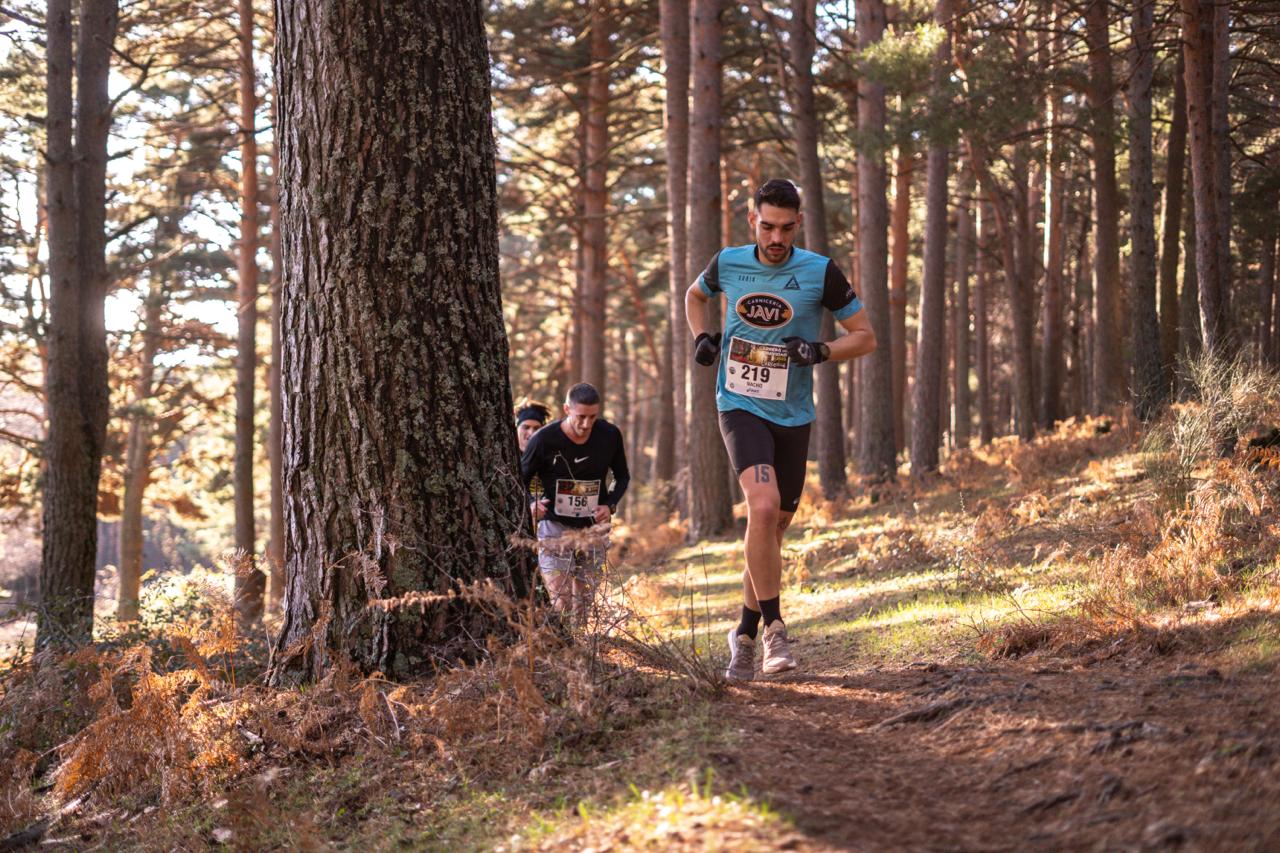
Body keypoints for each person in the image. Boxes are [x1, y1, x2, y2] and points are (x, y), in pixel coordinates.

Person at [685, 178, 877, 680]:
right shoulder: (728, 262)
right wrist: (702, 337)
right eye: (767, 226)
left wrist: (820, 350)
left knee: (772, 529)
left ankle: (743, 635)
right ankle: (775, 631)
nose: (776, 238)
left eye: (786, 229)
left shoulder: (820, 271)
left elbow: (865, 337)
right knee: (763, 507)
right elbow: (694, 296)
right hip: (738, 404)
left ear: (799, 224)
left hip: (793, 414)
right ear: (753, 219)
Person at [520, 383, 630, 625]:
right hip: (554, 526)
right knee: (561, 600)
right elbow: (520, 479)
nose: (586, 424)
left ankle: (578, 646)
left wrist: (610, 504)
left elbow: (622, 476)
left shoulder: (609, 435)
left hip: (593, 529)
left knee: (583, 604)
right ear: (567, 409)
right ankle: (558, 644)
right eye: (581, 417)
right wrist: (531, 503)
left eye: (593, 417)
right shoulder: (544, 439)